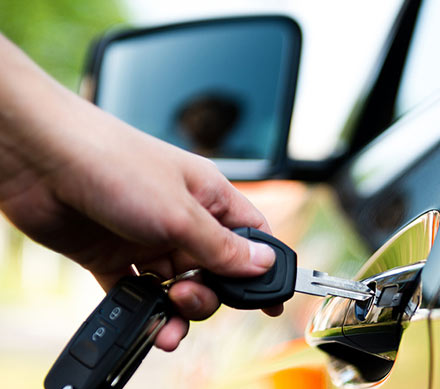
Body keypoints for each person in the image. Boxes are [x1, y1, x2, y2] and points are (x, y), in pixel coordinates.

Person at [0, 34, 281, 352]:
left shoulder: (248, 156)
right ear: (182, 125)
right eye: (196, 116)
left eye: (213, 117)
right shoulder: (158, 170)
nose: (203, 123)